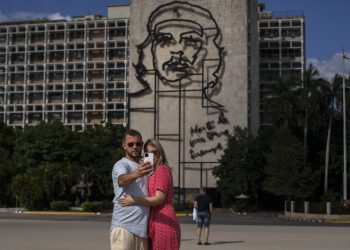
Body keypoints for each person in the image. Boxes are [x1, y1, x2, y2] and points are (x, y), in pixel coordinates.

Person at [118, 139, 181, 250]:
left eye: (154, 152)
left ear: (160, 153)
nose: (151, 156)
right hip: (156, 220)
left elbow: (159, 199)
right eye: (148, 153)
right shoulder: (154, 171)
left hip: (163, 221)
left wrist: (134, 200)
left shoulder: (162, 169)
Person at [110, 129, 153, 250]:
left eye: (138, 144)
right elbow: (122, 180)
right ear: (124, 146)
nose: (135, 147)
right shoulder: (121, 164)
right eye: (130, 144)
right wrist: (137, 173)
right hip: (124, 226)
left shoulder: (144, 165)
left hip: (142, 230)